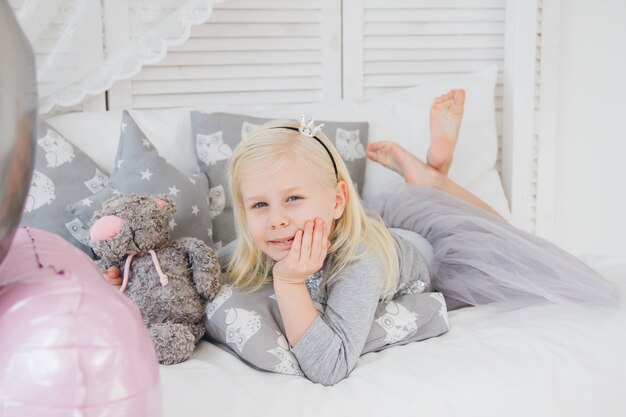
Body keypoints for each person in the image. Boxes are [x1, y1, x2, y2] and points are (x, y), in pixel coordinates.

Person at [103, 89, 616, 385]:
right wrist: (129, 283)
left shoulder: (361, 261)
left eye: (293, 199)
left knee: (499, 238)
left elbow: (329, 365)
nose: (276, 220)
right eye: (259, 205)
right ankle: (430, 175)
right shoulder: (261, 241)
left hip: (425, 251)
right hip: (369, 216)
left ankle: (434, 174)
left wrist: (289, 284)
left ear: (335, 201)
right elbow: (203, 271)